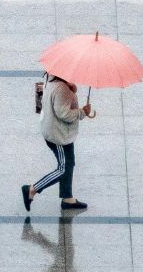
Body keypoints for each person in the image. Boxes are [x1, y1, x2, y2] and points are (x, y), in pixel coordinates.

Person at [22, 75, 92, 212]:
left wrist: (71, 89)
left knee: (69, 162)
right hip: (58, 135)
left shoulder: (49, 77)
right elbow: (64, 114)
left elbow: (39, 99)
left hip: (55, 129)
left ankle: (67, 198)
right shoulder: (62, 89)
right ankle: (31, 189)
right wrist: (82, 112)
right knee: (63, 169)